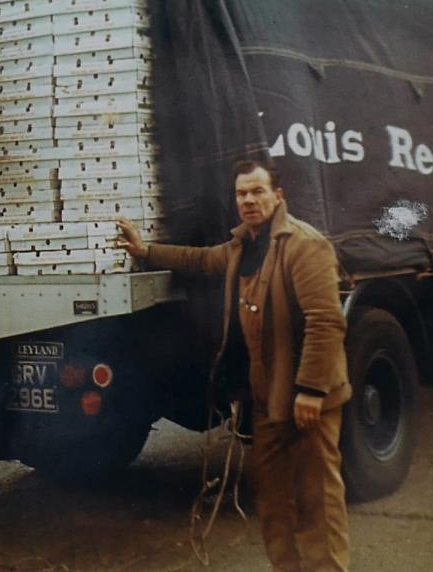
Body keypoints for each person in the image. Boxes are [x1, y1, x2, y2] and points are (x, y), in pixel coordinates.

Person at [116, 159, 351, 572]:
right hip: (266, 399)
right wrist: (145, 251)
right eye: (242, 193)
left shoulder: (303, 245)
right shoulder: (242, 246)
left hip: (305, 400)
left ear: (278, 196)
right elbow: (201, 259)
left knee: (318, 502)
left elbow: (326, 321)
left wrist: (312, 390)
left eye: (258, 191)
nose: (249, 200)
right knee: (274, 502)